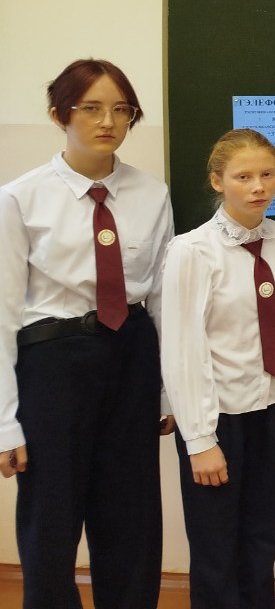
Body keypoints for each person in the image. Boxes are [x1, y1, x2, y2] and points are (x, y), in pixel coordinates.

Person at [0, 58, 173, 609]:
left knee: (131, 514)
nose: (108, 121)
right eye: (91, 108)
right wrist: (4, 421)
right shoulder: (20, 197)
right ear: (60, 115)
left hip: (132, 355)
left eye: (121, 110)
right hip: (53, 362)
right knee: (50, 515)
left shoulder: (152, 193)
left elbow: (162, 300)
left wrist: (168, 390)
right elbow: (3, 313)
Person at [160, 129, 275, 609]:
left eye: (267, 174)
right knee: (215, 546)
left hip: (272, 408)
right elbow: (182, 350)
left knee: (261, 538)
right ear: (217, 181)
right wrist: (199, 440)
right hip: (218, 416)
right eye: (243, 177)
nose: (258, 186)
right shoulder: (193, 251)